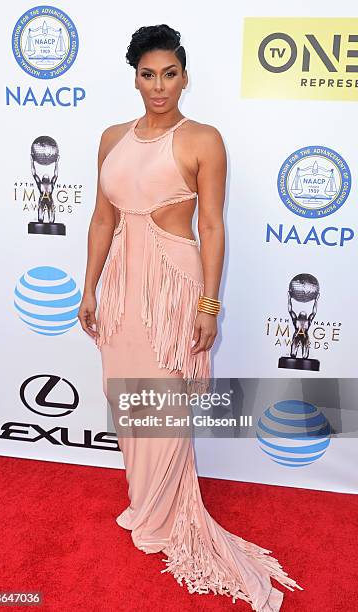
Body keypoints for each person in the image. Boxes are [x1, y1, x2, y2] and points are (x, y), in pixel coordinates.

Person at [79, 24, 303, 611]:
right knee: (124, 396)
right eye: (148, 74)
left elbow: (212, 226)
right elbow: (102, 218)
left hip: (173, 285)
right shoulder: (110, 138)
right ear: (135, 77)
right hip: (123, 286)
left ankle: (158, 517)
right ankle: (147, 498)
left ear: (186, 75)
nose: (159, 86)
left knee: (162, 399)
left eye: (170, 73)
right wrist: (89, 287)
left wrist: (209, 302)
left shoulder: (203, 138)